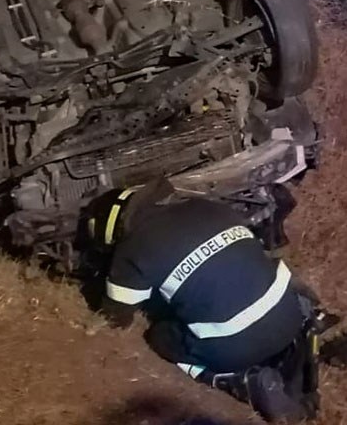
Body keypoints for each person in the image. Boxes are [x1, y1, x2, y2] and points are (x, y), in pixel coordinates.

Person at [84, 180, 328, 423]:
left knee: (160, 337)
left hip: (235, 348)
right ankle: (296, 347)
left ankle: (241, 381)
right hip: (289, 312)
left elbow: (115, 318)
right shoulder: (204, 206)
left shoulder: (131, 251)